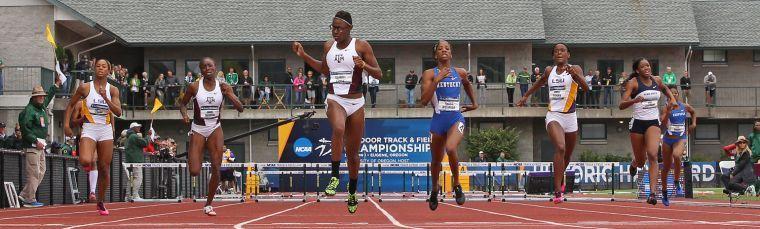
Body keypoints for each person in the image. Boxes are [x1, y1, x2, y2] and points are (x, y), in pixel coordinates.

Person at [292, 10, 382, 214]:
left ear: (349, 28)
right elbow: (325, 70)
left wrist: (364, 65)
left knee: (353, 154)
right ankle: (333, 177)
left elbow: (379, 73)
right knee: (338, 129)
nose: (335, 31)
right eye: (332, 27)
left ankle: (351, 192)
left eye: (339, 28)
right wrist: (304, 56)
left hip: (356, 102)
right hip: (335, 99)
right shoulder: (328, 46)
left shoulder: (361, 46)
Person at [517, 43, 589, 204]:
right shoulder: (549, 70)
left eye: (562, 50)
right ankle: (557, 191)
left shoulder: (575, 69)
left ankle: (559, 178)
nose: (559, 53)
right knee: (560, 147)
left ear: (568, 54)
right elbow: (540, 82)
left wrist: (575, 76)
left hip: (570, 117)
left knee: (568, 155)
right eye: (556, 51)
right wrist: (525, 96)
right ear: (553, 55)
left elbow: (586, 88)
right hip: (553, 115)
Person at [179, 57, 244, 216]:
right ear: (200, 70)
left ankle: (208, 204)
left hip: (215, 128)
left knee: (217, 168)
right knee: (194, 170)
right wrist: (185, 114)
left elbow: (240, 108)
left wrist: (229, 94)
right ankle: (199, 152)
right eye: (204, 66)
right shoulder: (194, 87)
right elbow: (182, 103)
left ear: (215, 67)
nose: (207, 68)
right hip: (198, 129)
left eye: (210, 65)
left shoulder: (223, 87)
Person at [420, 40, 477, 210]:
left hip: (455, 119)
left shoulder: (459, 72)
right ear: (435, 55)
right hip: (438, 121)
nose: (444, 50)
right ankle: (435, 188)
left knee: (451, 148)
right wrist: (437, 80)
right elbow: (423, 101)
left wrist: (474, 103)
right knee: (436, 160)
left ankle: (457, 184)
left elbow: (467, 84)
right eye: (440, 48)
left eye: (447, 48)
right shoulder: (429, 74)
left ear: (451, 54)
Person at [64, 59, 121, 215]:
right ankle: (90, 173)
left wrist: (106, 98)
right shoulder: (85, 87)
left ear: (109, 71)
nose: (100, 68)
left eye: (104, 66)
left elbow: (119, 112)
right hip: (90, 127)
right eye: (98, 66)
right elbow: (70, 105)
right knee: (85, 160)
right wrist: (67, 125)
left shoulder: (113, 90)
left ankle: (100, 201)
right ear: (94, 69)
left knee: (104, 168)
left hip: (105, 129)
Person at [619, 57, 677, 206]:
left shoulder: (656, 80)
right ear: (637, 70)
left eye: (648, 66)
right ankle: (634, 163)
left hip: (653, 123)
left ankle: (652, 193)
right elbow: (621, 104)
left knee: (652, 154)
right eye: (643, 66)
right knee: (640, 162)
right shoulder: (633, 83)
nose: (647, 68)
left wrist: (672, 99)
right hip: (637, 124)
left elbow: (665, 88)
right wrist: (634, 100)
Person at [18, 77, 61, 208]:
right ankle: (30, 198)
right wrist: (35, 141)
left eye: (42, 95)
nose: (42, 98)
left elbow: (48, 98)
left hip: (40, 146)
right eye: (39, 96)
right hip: (33, 146)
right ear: (34, 98)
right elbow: (25, 129)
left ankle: (25, 194)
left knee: (41, 171)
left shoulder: (41, 107)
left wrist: (56, 85)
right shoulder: (29, 110)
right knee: (34, 172)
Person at [659, 85, 697, 205]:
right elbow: (663, 124)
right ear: (668, 96)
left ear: (678, 95)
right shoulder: (665, 108)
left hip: (680, 138)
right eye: (671, 93)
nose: (674, 95)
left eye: (676, 93)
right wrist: (668, 111)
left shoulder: (684, 106)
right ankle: (664, 193)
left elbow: (693, 112)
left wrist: (693, 124)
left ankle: (676, 181)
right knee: (666, 167)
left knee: (676, 156)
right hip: (667, 139)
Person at [125, 122, 150, 201]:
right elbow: (145, 143)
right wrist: (148, 136)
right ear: (133, 128)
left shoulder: (130, 136)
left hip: (130, 160)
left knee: (131, 179)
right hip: (135, 160)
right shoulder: (133, 136)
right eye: (137, 127)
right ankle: (134, 195)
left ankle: (128, 196)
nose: (139, 128)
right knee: (138, 178)